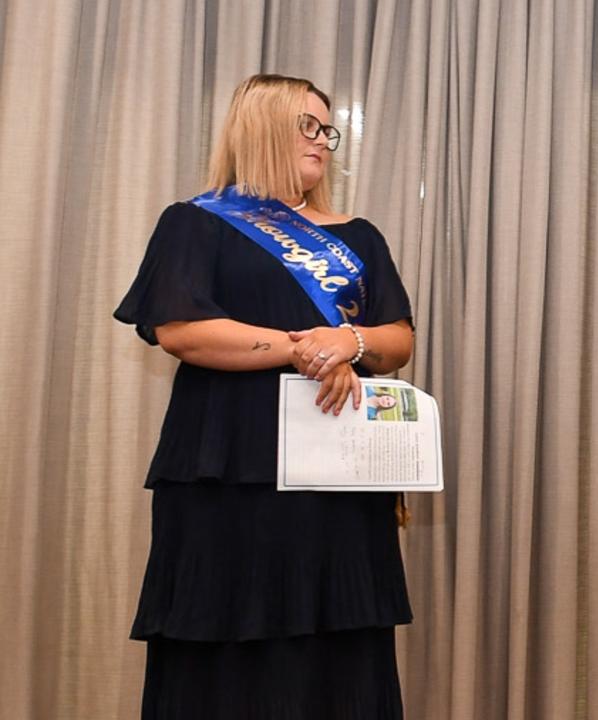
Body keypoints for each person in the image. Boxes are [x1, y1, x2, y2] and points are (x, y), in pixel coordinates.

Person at [114, 74, 415, 719]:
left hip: (337, 466)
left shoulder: (359, 235)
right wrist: (307, 347)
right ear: (261, 125)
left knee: (338, 640)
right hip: (227, 465)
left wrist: (352, 343)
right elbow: (182, 330)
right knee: (222, 638)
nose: (323, 143)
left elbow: (396, 337)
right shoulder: (194, 223)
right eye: (309, 125)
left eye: (327, 131)